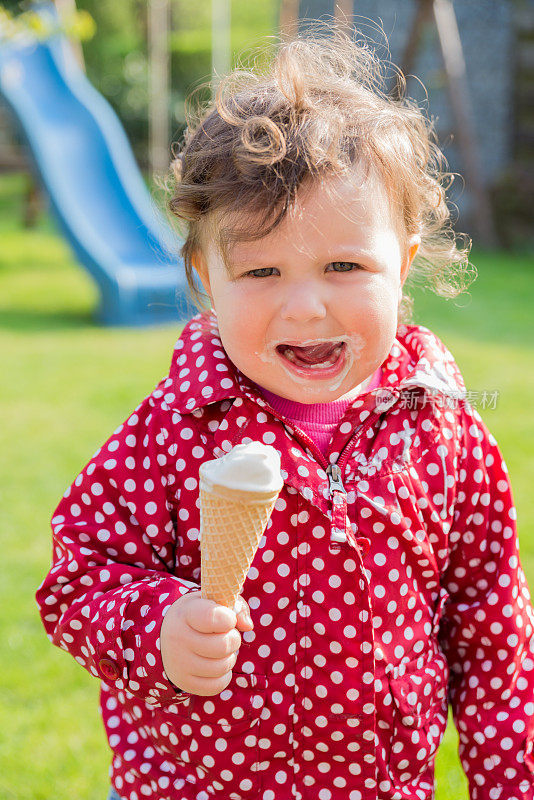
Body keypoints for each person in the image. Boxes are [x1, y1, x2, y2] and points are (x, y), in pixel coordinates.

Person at [36, 25, 534, 800]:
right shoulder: (170, 435)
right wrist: (160, 626)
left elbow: (493, 627)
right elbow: (78, 582)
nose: (306, 307)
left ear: (401, 266)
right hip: (194, 786)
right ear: (206, 276)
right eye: (262, 270)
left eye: (345, 266)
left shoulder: (445, 434)